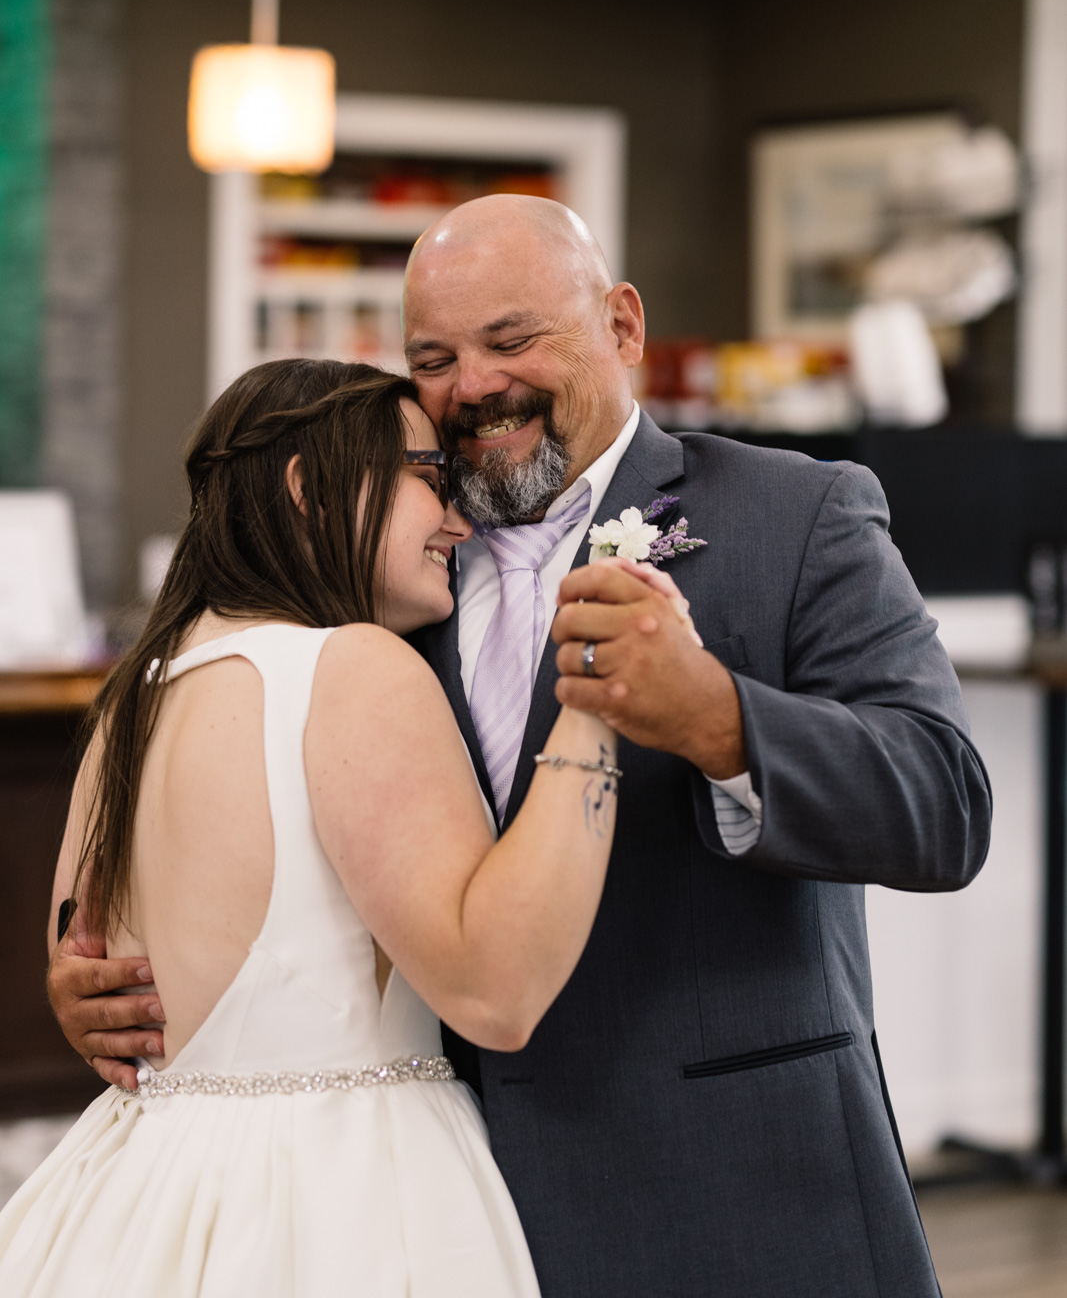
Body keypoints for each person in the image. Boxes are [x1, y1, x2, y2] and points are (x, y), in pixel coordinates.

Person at [48, 195, 992, 1298]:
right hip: (448, 1210)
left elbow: (945, 802)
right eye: (432, 357)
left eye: (509, 340)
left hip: (740, 1188)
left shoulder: (797, 514)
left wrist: (717, 720)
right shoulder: (390, 584)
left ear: (621, 328)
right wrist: (120, 986)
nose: (471, 386)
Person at [1, 356, 641, 1296]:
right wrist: (594, 701)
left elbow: (80, 956)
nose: (459, 521)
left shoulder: (132, 697)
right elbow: (498, 992)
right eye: (431, 480)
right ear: (310, 489)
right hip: (335, 1207)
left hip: (142, 1203)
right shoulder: (352, 669)